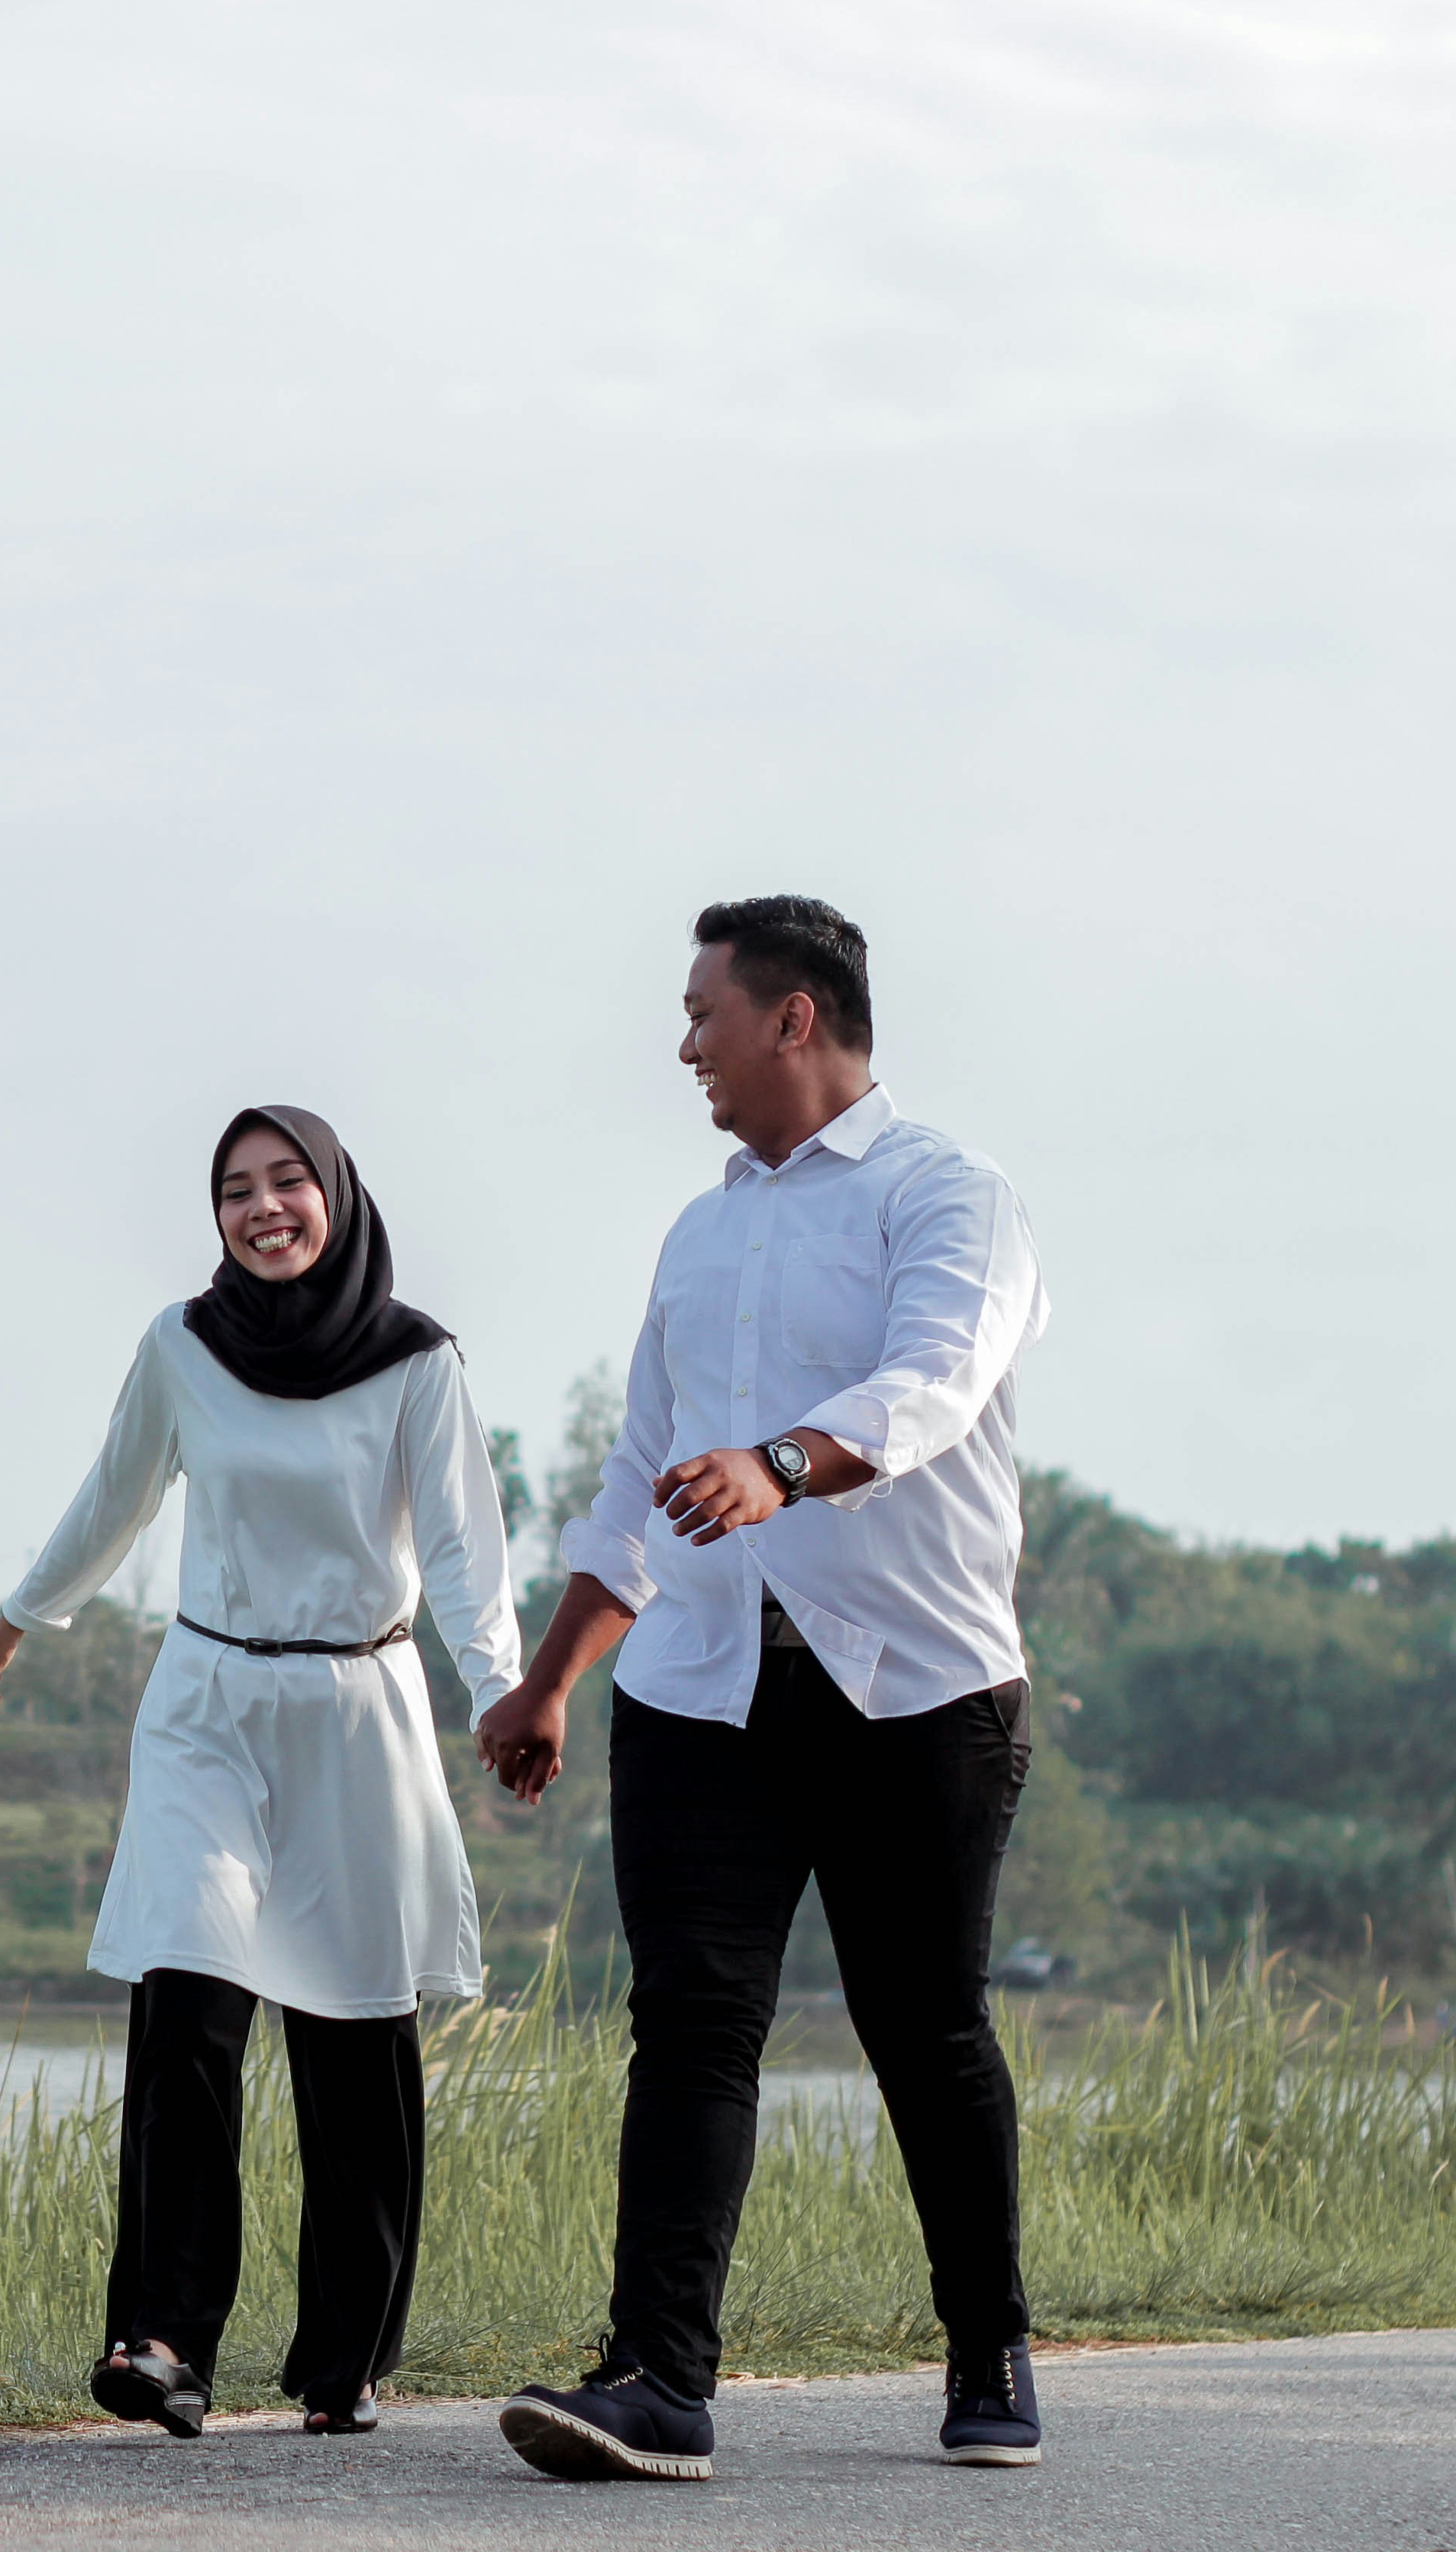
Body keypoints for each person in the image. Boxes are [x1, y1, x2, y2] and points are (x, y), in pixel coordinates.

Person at [475, 896, 1052, 2483]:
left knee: (924, 2026)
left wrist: (782, 1463)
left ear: (793, 1019)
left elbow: (929, 1388)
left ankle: (987, 2341)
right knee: (691, 2023)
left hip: (916, 1691)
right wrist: (549, 1682)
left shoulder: (954, 1196)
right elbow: (634, 1484)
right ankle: (659, 2379)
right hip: (701, 1695)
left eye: (702, 1014)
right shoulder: (701, 1231)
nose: (684, 1047)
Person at [0, 1104, 521, 2441]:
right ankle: (160, 2340)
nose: (263, 1210)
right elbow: (118, 1492)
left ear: (335, 1195)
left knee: (353, 2035)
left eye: (286, 1184)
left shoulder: (416, 1362)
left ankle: (347, 2358)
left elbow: (461, 1549)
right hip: (208, 1701)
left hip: (356, 1708)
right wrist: (22, 1615)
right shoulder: (183, 1345)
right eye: (234, 1192)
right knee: (188, 2000)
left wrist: (502, 1692)